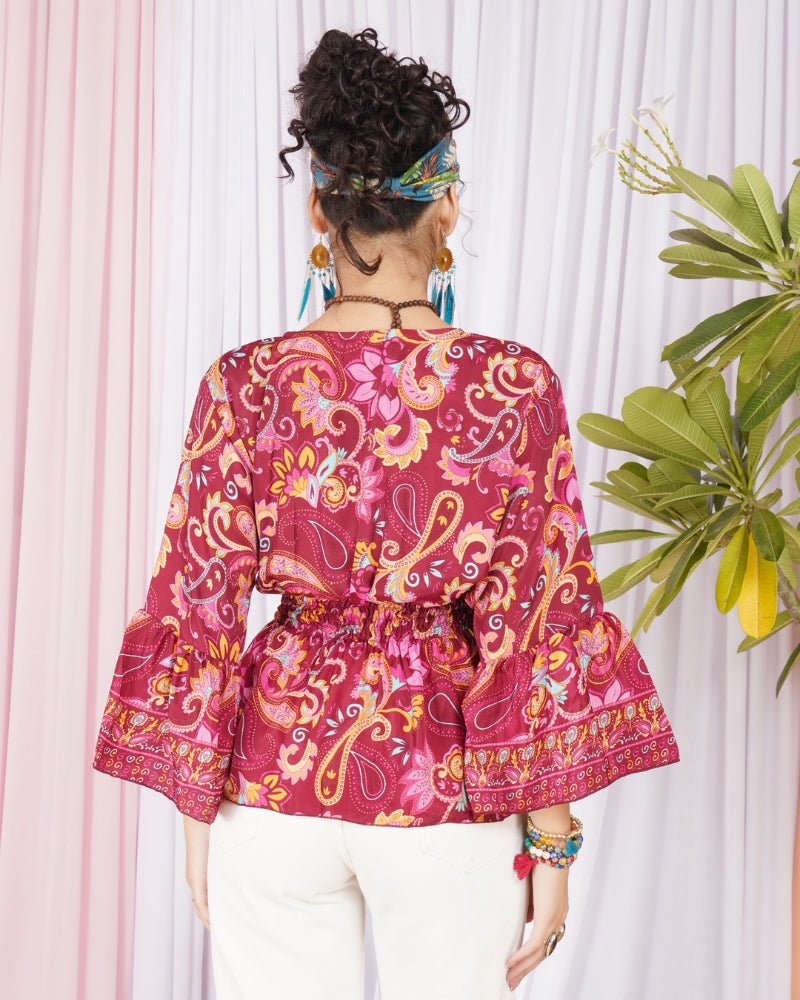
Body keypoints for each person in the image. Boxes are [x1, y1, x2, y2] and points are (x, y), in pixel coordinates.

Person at [93, 27, 679, 998]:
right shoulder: (511, 385)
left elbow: (195, 607)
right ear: (445, 207)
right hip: (441, 786)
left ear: (318, 211)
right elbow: (534, 620)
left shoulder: (244, 385)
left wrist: (199, 814)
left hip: (269, 784)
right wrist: (552, 842)